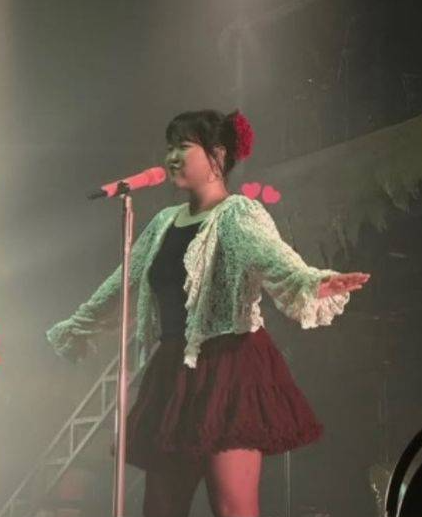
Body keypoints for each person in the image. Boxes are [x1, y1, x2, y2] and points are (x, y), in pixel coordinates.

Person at [46, 108, 370, 517]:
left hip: (229, 365)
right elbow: (122, 282)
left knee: (232, 507)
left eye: (183, 146)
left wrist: (312, 281)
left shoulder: (237, 214)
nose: (172, 157)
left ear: (217, 155)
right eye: (169, 147)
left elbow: (272, 258)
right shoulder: (163, 222)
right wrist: (78, 327)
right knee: (161, 507)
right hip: (173, 370)